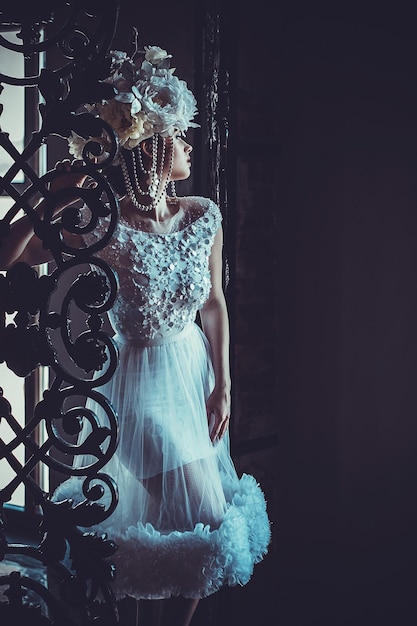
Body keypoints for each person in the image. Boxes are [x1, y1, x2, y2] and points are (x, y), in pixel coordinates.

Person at [0, 43, 271, 626]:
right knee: (201, 522)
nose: (192, 146)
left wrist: (224, 386)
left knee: (177, 534)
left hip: (194, 379)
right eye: (182, 136)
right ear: (152, 143)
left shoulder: (204, 214)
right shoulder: (106, 221)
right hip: (137, 391)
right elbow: (8, 257)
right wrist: (48, 196)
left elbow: (216, 306)